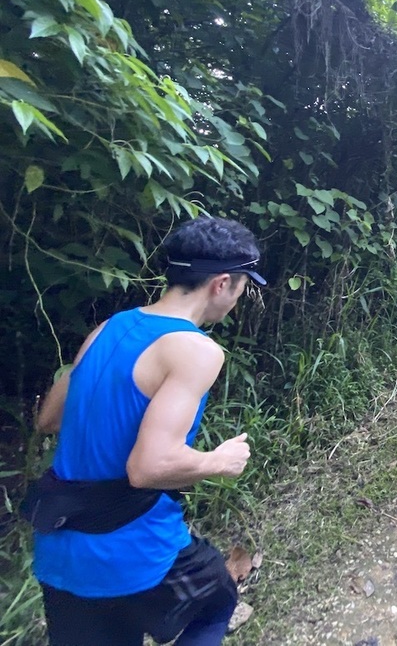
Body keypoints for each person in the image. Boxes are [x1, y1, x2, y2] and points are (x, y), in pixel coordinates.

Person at [28, 215, 267, 646]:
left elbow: (48, 419)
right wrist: (220, 461)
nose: (239, 297)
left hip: (57, 548)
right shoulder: (195, 350)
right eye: (243, 286)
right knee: (216, 604)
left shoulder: (109, 327)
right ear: (222, 284)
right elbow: (149, 467)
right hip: (132, 547)